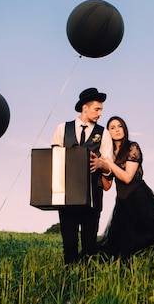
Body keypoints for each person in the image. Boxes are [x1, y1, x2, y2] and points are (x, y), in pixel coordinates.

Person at [90, 116, 154, 257]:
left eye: (119, 126)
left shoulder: (132, 147)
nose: (117, 130)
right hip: (123, 203)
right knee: (121, 247)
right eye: (112, 128)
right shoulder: (108, 153)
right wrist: (100, 168)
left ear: (124, 128)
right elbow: (107, 186)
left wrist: (109, 163)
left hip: (139, 198)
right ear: (108, 132)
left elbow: (127, 177)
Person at [51, 87, 114, 264]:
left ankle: (89, 284)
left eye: (101, 109)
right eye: (97, 109)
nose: (100, 113)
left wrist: (101, 164)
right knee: (69, 244)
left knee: (89, 246)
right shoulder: (62, 128)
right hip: (67, 196)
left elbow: (109, 166)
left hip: (93, 196)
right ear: (84, 108)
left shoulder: (104, 134)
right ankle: (70, 282)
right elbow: (54, 159)